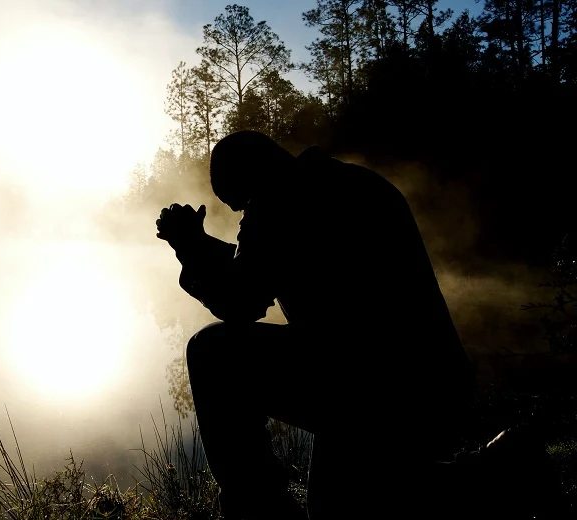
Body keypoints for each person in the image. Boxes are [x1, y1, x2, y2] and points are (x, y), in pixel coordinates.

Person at [155, 130, 475, 519]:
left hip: (368, 386)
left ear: (252, 174)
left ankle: (258, 511)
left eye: (243, 204)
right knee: (338, 504)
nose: (244, 215)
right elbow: (262, 263)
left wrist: (189, 248)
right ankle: (494, 472)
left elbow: (241, 300)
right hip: (430, 384)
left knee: (212, 353)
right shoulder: (350, 182)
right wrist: (203, 246)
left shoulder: (280, 202)